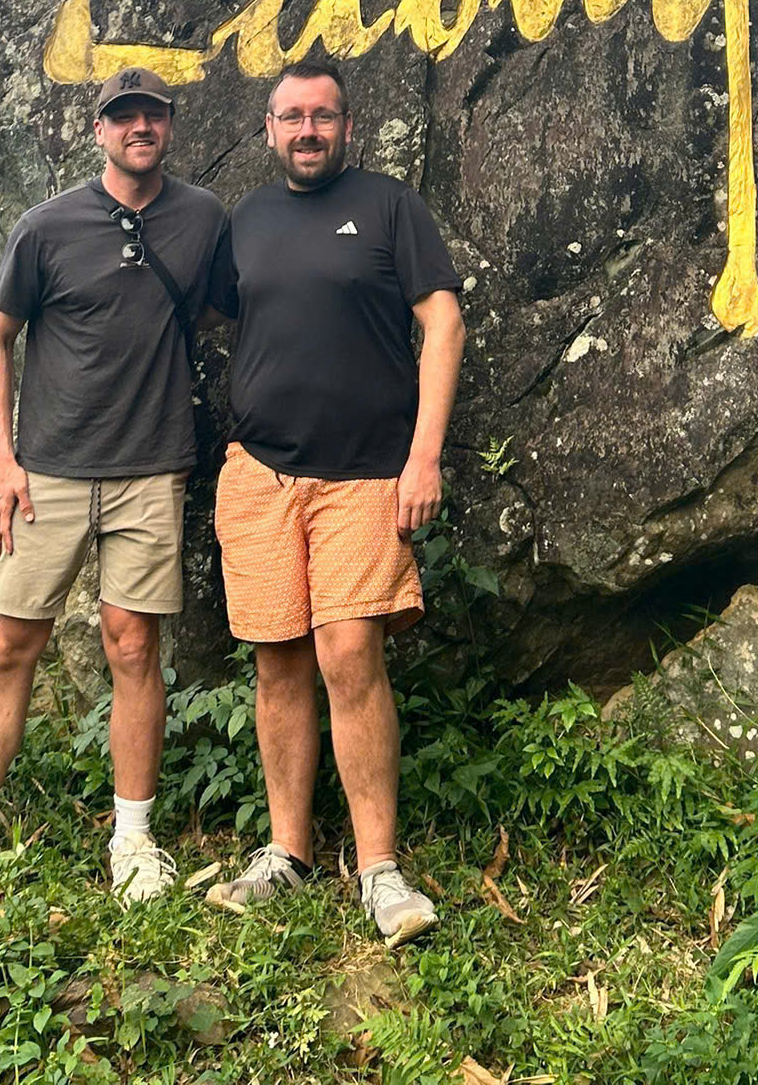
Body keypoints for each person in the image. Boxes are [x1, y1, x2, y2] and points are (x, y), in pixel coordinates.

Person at [0, 66, 228, 900]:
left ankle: (133, 840)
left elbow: (226, 307)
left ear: (168, 127)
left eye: (153, 115)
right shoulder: (47, 228)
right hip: (47, 474)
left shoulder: (202, 219)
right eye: (123, 116)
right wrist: (3, 457)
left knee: (135, 647)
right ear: (99, 130)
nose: (140, 127)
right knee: (10, 644)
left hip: (150, 467)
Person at [204, 59, 466, 947]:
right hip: (263, 477)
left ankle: (381, 870)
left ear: (347, 126)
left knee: (349, 653)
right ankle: (287, 852)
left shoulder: (392, 207)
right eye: (291, 117)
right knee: (277, 661)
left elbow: (442, 323)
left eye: (323, 116)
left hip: (365, 475)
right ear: (268, 128)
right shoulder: (244, 222)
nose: (307, 131)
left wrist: (423, 455)